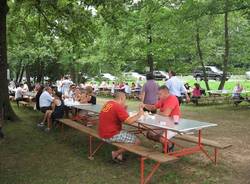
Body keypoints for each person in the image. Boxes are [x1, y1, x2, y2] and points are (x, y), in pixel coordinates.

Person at [98, 92, 143, 162]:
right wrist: (139, 114)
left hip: (102, 133)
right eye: (125, 100)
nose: (125, 102)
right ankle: (116, 153)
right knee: (137, 141)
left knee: (122, 133)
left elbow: (115, 115)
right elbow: (129, 121)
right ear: (121, 98)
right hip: (110, 135)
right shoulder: (117, 106)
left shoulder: (108, 103)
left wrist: (123, 109)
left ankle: (119, 157)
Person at [142, 85, 180, 152]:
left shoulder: (172, 99)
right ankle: (167, 144)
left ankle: (168, 146)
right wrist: (144, 105)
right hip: (164, 122)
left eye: (160, 94)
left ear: (166, 93)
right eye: (158, 94)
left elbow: (165, 114)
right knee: (149, 134)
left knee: (162, 138)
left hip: (173, 124)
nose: (158, 95)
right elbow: (154, 107)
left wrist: (153, 114)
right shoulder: (162, 99)